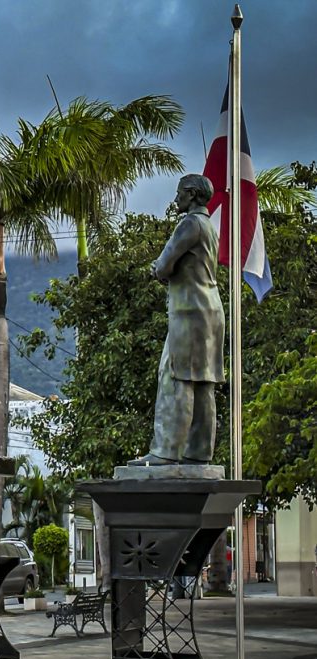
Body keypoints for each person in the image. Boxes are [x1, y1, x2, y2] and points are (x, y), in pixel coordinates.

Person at [130, 174, 223, 465]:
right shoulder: (209, 226)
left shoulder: (189, 224)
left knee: (175, 377)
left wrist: (155, 271)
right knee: (203, 382)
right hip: (211, 311)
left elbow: (164, 263)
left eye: (180, 193)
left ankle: (166, 451)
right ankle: (198, 451)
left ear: (193, 194)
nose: (176, 199)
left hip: (189, 311)